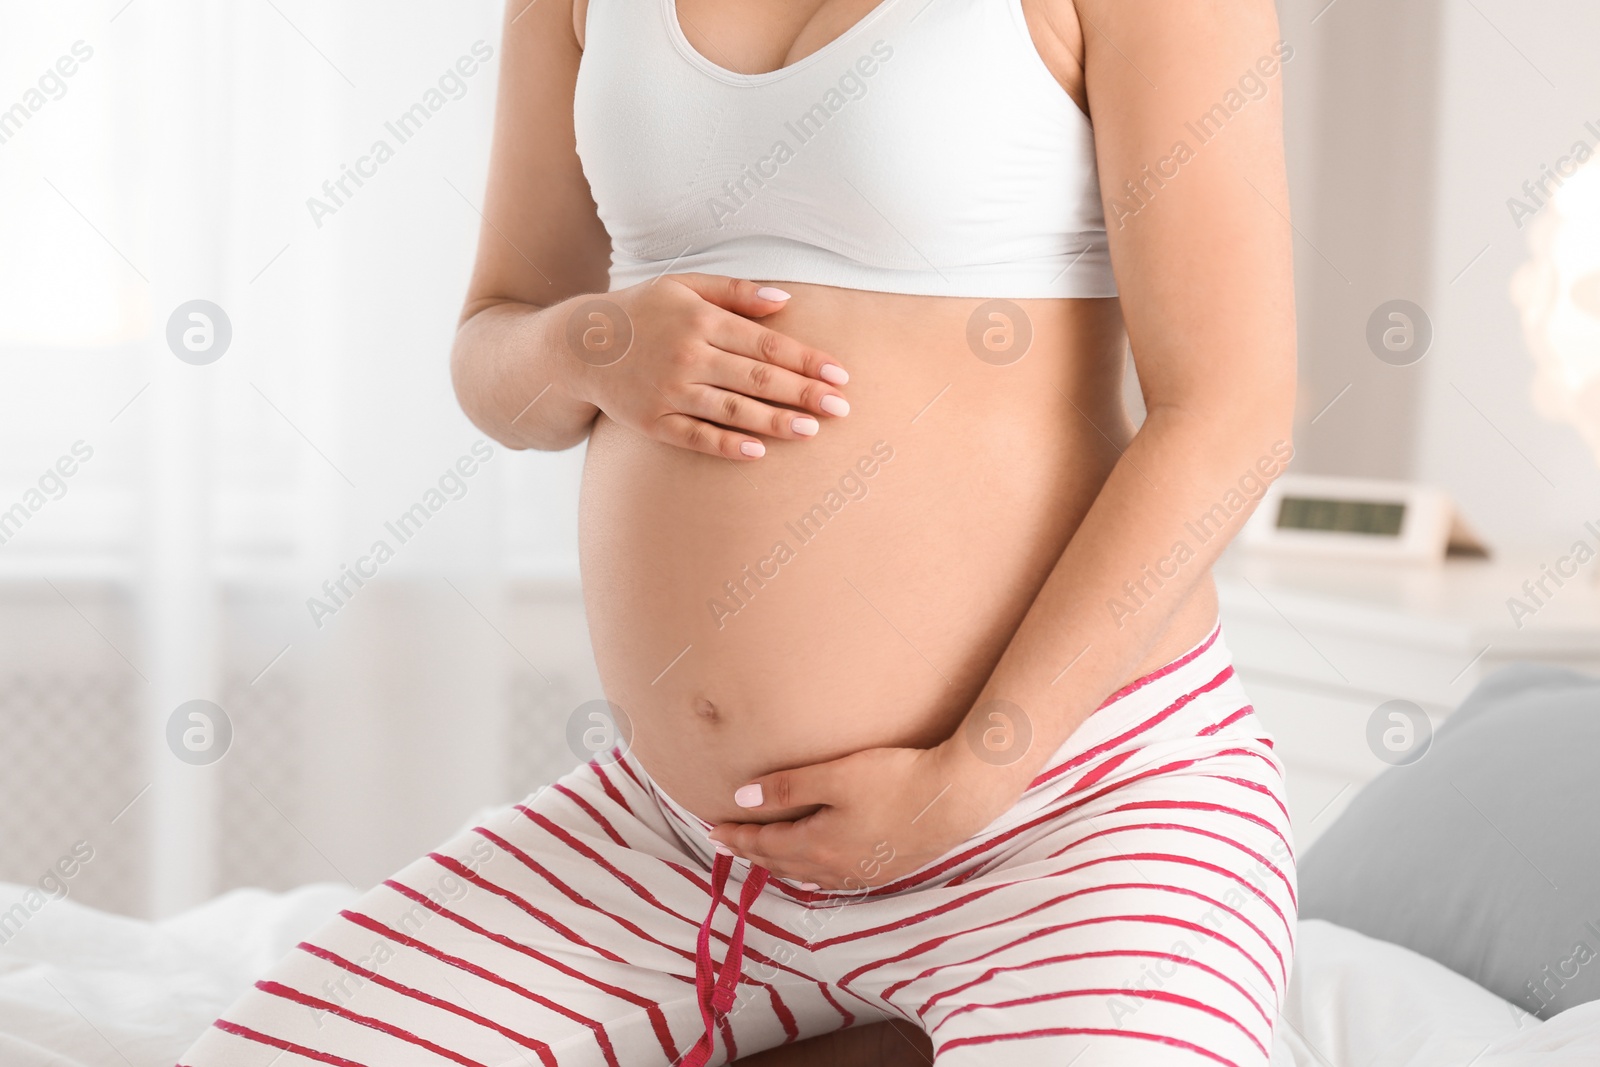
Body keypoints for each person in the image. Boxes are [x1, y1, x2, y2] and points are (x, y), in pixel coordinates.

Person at [180, 0, 1297, 1062]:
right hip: (684, 847)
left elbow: (1230, 414)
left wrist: (965, 777)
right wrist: (590, 344)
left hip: (1065, 810)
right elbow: (494, 350)